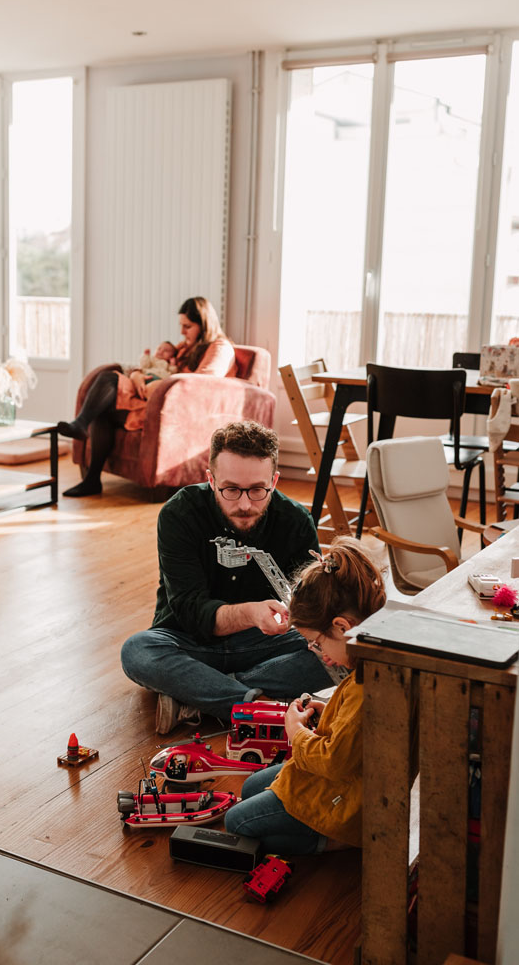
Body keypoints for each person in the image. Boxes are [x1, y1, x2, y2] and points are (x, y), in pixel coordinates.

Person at [120, 420, 337, 734]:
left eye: (258, 490)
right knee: (138, 650)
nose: (245, 504)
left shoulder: (296, 521)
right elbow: (192, 611)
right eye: (231, 489)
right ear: (210, 479)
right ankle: (259, 701)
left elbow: (310, 608)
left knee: (341, 650)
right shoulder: (179, 514)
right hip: (190, 640)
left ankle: (201, 696)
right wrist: (251, 612)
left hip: (265, 643)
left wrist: (323, 630)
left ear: (274, 481)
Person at [223, 537, 386, 855]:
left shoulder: (365, 689)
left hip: (347, 794)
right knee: (250, 787)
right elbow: (357, 732)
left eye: (317, 642)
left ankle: (338, 839)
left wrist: (295, 731)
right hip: (351, 775)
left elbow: (333, 761)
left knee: (237, 825)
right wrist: (327, 712)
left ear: (341, 627)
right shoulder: (371, 661)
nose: (320, 654)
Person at [57, 296, 236, 497]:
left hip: (176, 413)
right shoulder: (185, 347)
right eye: (181, 326)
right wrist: (137, 375)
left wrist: (160, 385)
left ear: (204, 325)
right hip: (154, 400)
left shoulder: (220, 348)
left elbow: (203, 383)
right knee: (105, 393)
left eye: (187, 326)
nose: (182, 332)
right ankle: (91, 476)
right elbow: (154, 363)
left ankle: (81, 425)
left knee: (107, 392)